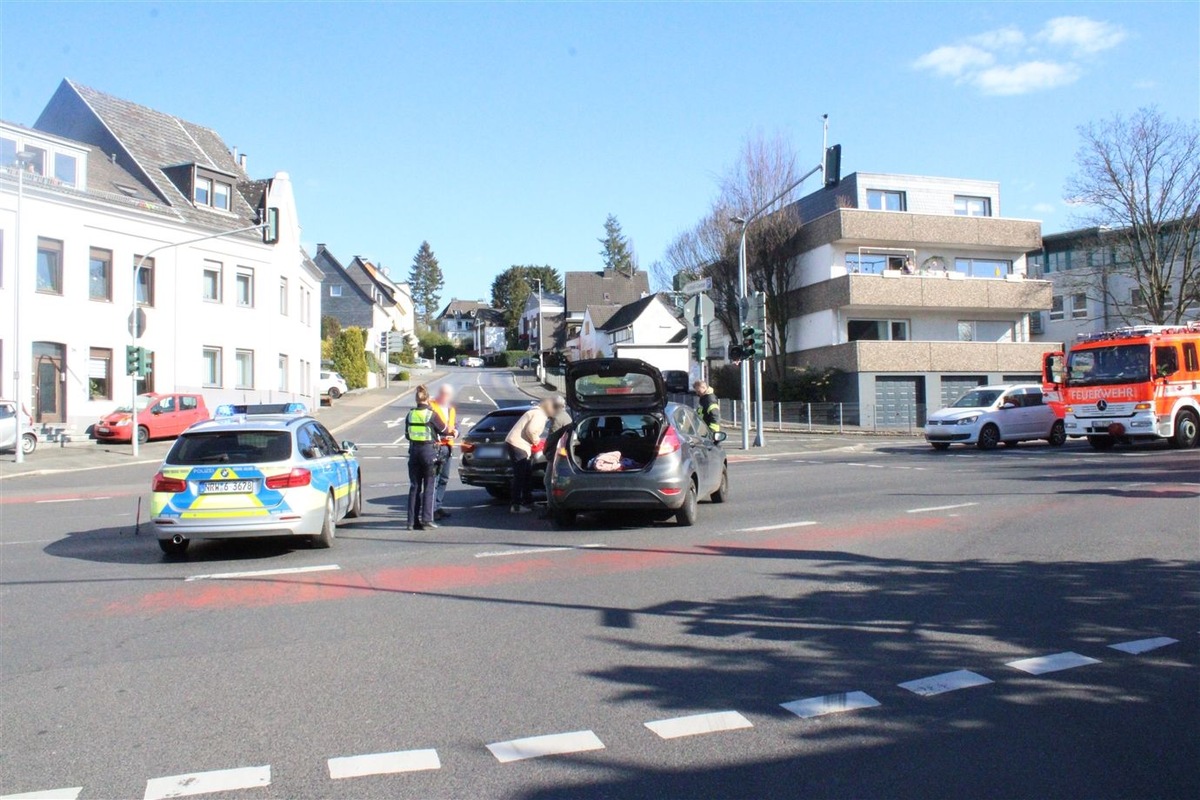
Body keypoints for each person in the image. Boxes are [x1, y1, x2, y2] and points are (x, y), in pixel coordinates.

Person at [405, 385, 447, 531]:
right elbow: (444, 430)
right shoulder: (431, 415)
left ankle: (411, 522)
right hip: (428, 452)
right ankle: (427, 520)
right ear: (428, 399)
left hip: (414, 452)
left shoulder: (410, 414)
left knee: (414, 487)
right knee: (429, 486)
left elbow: (407, 434)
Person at [504, 397, 554, 514]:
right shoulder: (540, 414)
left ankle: (528, 501)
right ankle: (516, 505)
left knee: (526, 474)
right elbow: (531, 430)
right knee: (520, 475)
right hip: (519, 445)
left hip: (515, 443)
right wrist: (536, 440)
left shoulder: (534, 412)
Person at [429, 384, 459, 521]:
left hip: (448, 447)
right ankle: (431, 509)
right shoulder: (432, 407)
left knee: (444, 478)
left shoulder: (451, 408)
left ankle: (438, 505)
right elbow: (429, 427)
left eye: (448, 394)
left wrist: (457, 432)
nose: (446, 397)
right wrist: (441, 437)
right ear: (439, 394)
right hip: (436, 447)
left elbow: (456, 424)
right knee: (434, 479)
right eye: (444, 394)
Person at [543, 396, 572, 495]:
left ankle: (551, 505)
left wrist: (545, 450)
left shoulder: (557, 418)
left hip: (556, 453)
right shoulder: (566, 415)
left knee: (548, 481)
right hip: (562, 451)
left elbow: (552, 437)